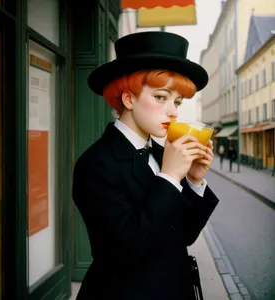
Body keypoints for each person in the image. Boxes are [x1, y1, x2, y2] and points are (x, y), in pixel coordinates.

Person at [72, 31, 219, 300]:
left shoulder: (164, 153)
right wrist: (170, 176)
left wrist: (195, 181)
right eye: (161, 97)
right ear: (128, 99)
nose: (174, 111)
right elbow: (124, 252)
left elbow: (183, 235)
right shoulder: (95, 163)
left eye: (177, 102)